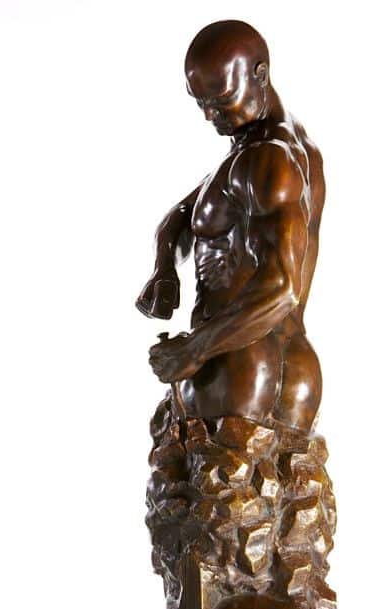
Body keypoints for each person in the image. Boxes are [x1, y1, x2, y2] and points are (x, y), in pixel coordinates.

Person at [137, 19, 325, 433]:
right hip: (290, 366)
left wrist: (194, 349)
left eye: (221, 100)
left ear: (260, 74)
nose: (209, 115)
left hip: (235, 365)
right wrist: (164, 269)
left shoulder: (267, 158)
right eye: (200, 102)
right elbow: (184, 214)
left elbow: (283, 287)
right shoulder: (281, 149)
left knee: (198, 473)